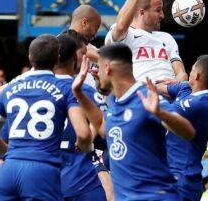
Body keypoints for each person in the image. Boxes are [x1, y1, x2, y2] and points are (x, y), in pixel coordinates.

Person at [72, 43, 195, 200]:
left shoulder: (144, 96)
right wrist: (79, 93)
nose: (96, 72)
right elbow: (104, 128)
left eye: (99, 67)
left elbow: (189, 132)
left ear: (107, 68)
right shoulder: (117, 100)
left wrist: (161, 113)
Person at [0, 34, 92, 200]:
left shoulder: (9, 89)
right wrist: (85, 148)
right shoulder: (65, 88)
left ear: (30, 57)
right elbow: (83, 134)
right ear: (57, 59)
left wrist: (12, 154)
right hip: (42, 171)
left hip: (8, 170)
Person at [155, 55, 208, 201]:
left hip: (183, 179)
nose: (189, 73)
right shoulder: (186, 89)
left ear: (196, 75)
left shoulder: (203, 104)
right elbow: (156, 87)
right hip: (169, 174)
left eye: (191, 70)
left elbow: (162, 109)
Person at [56, 33, 108, 201]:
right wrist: (109, 90)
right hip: (80, 179)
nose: (86, 57)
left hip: (44, 181)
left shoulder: (28, 89)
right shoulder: (85, 92)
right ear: (73, 56)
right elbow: (106, 132)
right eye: (83, 53)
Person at [105, 0, 187, 82]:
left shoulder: (167, 38)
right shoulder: (125, 35)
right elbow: (120, 26)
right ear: (142, 12)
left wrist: (177, 82)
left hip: (171, 91)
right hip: (140, 93)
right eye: (158, 10)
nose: (162, 15)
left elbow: (181, 73)